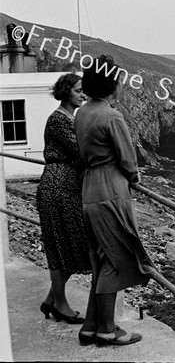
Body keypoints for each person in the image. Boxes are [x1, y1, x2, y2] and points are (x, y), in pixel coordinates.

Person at [75, 55, 153, 346]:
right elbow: (128, 162)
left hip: (89, 189)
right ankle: (107, 329)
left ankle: (90, 325)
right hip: (110, 190)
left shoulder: (82, 112)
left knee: (100, 258)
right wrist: (134, 176)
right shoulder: (112, 116)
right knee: (115, 259)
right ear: (112, 84)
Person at [37, 73, 90, 324]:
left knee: (68, 243)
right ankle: (59, 304)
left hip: (65, 187)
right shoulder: (59, 120)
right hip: (57, 187)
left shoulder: (69, 118)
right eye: (79, 90)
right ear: (67, 91)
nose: (83, 95)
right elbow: (81, 152)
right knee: (60, 245)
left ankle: (51, 299)